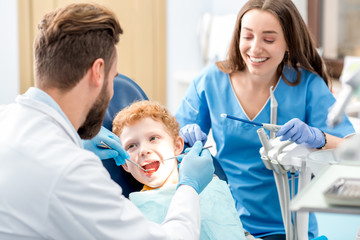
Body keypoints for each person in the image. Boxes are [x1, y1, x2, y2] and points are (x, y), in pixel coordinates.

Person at [0, 3, 214, 239]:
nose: (113, 91)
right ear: (98, 72)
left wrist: (75, 141)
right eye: (113, 77)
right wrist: (190, 186)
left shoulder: (5, 119)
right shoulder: (73, 172)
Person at [175, 0, 355, 239]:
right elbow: (170, 142)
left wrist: (317, 138)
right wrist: (182, 138)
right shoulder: (210, 81)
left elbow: (352, 149)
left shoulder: (308, 86)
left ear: (289, 42)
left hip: (291, 228)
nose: (255, 48)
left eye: (268, 39)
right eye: (247, 36)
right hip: (226, 224)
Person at [111, 100, 247, 240]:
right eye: (131, 146)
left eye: (153, 138)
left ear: (177, 146)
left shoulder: (209, 184)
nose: (143, 150)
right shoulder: (133, 212)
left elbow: (234, 227)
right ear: (125, 164)